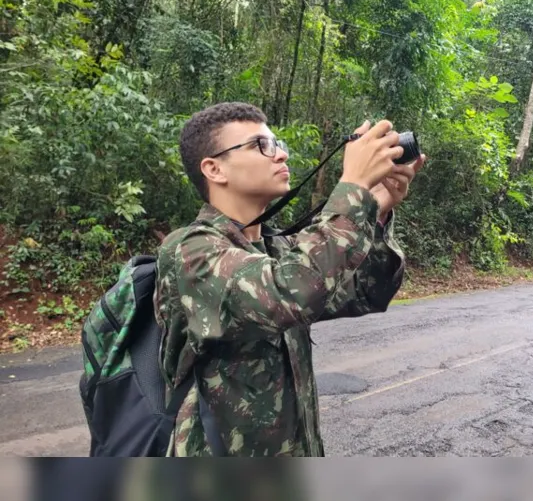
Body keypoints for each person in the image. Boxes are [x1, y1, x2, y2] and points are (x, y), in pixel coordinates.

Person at [153, 102, 425, 456]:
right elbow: (291, 290)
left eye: (277, 143)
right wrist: (354, 187)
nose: (280, 155)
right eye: (260, 145)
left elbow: (364, 292)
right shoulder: (190, 252)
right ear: (214, 168)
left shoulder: (276, 249)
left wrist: (377, 208)